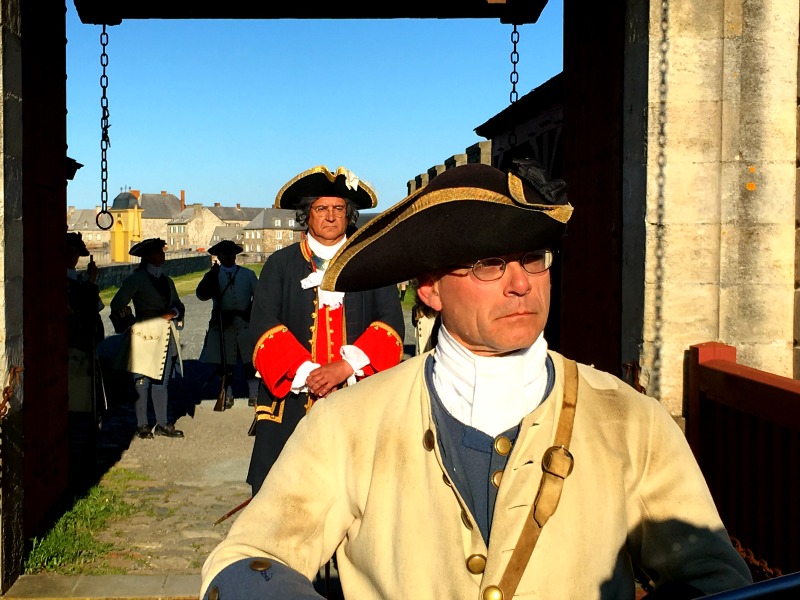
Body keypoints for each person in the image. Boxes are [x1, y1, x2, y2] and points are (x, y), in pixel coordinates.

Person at [200, 163, 752, 599]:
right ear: (431, 289)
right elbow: (245, 561)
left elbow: (712, 579)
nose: (521, 284)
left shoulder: (635, 422)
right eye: (489, 263)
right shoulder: (348, 427)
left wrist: (345, 364)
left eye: (534, 258)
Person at [245, 164, 405, 496]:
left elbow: (390, 325)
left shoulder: (371, 263)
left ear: (350, 215)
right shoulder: (280, 265)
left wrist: (346, 367)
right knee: (287, 501)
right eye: (321, 209)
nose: (330, 216)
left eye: (338, 209)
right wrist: (307, 373)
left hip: (358, 400)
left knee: (358, 498)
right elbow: (263, 326)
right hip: (291, 402)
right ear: (307, 215)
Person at [110, 238, 187, 439]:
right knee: (142, 382)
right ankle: (142, 425)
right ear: (148, 256)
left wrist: (174, 312)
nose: (163, 255)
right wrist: (134, 324)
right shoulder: (136, 280)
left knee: (162, 381)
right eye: (158, 252)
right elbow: (117, 303)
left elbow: (179, 304)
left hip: (166, 335)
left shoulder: (168, 281)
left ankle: (162, 424)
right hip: (144, 335)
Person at [196, 239, 260, 409]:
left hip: (245, 324)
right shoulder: (213, 275)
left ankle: (254, 394)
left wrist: (251, 312)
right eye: (224, 253)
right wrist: (211, 275)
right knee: (225, 364)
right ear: (219, 256)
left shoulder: (248, 275)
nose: (228, 256)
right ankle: (227, 394)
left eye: (230, 253)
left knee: (250, 362)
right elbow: (201, 295)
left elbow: (260, 298)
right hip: (223, 324)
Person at [66, 232, 106, 488]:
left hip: (84, 347)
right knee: (75, 405)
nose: (74, 258)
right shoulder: (71, 283)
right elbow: (86, 307)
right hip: (72, 347)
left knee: (86, 407)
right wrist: (91, 282)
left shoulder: (75, 280)